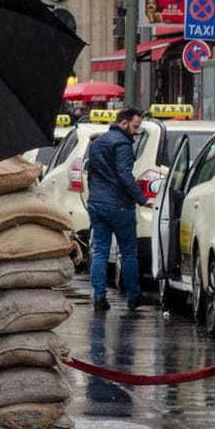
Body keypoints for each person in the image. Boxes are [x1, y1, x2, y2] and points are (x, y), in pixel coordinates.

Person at [84, 106, 146, 311]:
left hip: (97, 203)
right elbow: (124, 175)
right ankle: (133, 296)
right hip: (119, 205)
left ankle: (99, 296)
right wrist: (142, 199)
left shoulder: (97, 143)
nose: (136, 132)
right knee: (128, 252)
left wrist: (93, 197)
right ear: (124, 123)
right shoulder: (123, 144)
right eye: (135, 127)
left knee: (100, 251)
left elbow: (91, 173)